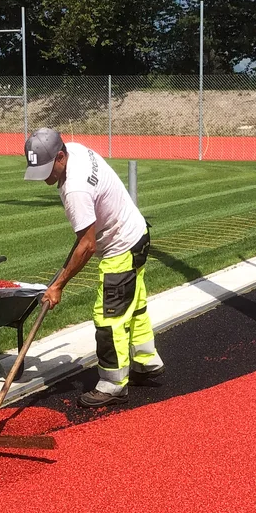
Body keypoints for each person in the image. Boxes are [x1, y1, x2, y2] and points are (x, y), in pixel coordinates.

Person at [24, 128, 164, 408]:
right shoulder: (76, 149)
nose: (44, 179)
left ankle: (113, 384)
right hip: (138, 235)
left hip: (120, 248)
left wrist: (58, 285)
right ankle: (146, 362)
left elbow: (87, 245)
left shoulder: (74, 189)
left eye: (47, 170)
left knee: (109, 317)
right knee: (134, 306)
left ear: (60, 157)